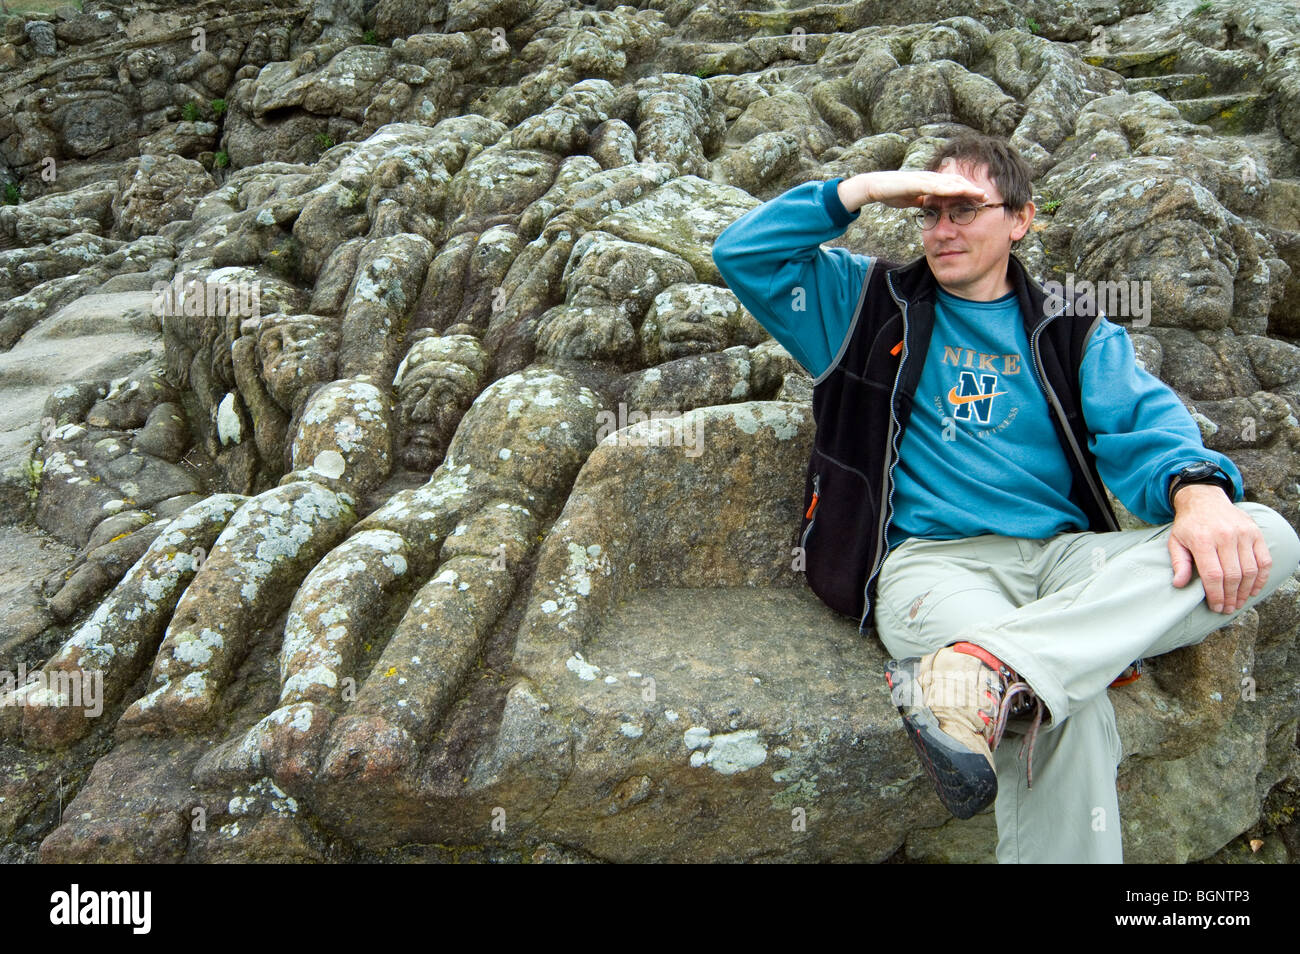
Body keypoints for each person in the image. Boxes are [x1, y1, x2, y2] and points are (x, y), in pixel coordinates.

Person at [710, 131, 1300, 863]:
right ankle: (1023, 669)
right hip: (935, 568)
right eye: (927, 212)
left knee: (1268, 534)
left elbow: (1144, 426)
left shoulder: (1072, 327)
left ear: (1020, 219)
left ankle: (985, 672)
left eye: (963, 209)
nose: (941, 229)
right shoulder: (861, 305)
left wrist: (1198, 491)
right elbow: (742, 255)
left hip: (1064, 560)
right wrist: (859, 190)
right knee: (1063, 710)